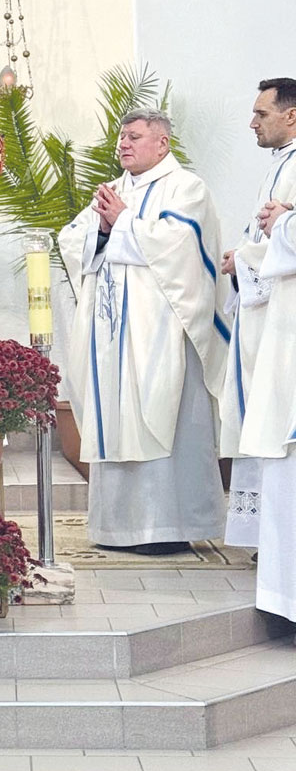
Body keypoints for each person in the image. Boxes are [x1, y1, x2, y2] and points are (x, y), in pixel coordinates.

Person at [59, 108, 229, 555]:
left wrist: (122, 223)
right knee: (117, 420)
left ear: (162, 143)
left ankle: (167, 527)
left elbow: (180, 247)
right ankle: (116, 528)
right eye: (122, 137)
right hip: (112, 337)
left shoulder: (186, 188)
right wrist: (101, 228)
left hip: (162, 335)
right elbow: (72, 239)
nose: (123, 144)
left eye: (134, 137)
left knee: (165, 419)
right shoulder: (113, 191)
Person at [219, 78, 296, 602]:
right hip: (269, 317)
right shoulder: (279, 164)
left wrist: (272, 233)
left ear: (291, 115)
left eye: (261, 113)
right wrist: (245, 256)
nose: (252, 122)